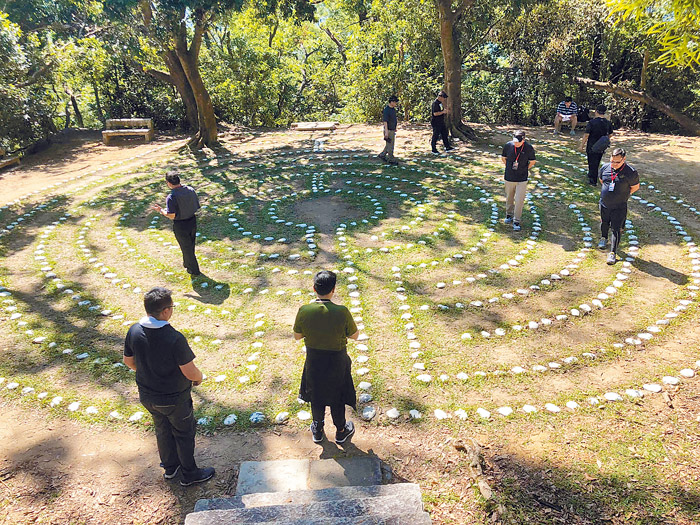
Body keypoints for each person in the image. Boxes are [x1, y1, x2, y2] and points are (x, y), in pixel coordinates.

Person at [123, 287, 215, 486]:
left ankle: (170, 468)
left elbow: (128, 361)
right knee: (183, 432)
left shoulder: (134, 331)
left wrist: (147, 371)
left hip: (148, 395)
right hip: (174, 398)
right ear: (165, 311)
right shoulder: (174, 338)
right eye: (171, 307)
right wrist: (198, 378)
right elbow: (190, 371)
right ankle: (190, 474)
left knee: (162, 428)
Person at [293, 271, 359, 445]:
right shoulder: (342, 312)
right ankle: (341, 430)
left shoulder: (304, 310)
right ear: (334, 290)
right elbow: (355, 336)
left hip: (314, 361)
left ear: (314, 288)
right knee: (337, 397)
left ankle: (318, 429)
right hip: (337, 361)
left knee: (316, 395)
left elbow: (297, 336)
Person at [152, 173, 201, 276]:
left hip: (180, 224)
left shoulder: (172, 197)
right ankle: (187, 263)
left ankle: (194, 270)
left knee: (186, 247)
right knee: (190, 244)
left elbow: (171, 215)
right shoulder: (190, 190)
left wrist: (161, 210)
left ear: (168, 183)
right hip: (192, 220)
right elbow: (196, 206)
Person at [597, 148, 639, 265]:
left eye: (617, 162)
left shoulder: (631, 172)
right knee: (604, 222)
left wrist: (623, 194)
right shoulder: (605, 168)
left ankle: (612, 253)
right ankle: (603, 238)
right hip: (604, 203)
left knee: (616, 229)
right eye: (612, 161)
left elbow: (635, 187)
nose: (614, 164)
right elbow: (602, 180)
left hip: (619, 206)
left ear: (624, 159)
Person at [501, 130, 536, 231]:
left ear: (523, 140)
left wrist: (524, 169)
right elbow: (504, 158)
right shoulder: (508, 146)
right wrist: (509, 168)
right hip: (509, 177)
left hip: (522, 178)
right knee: (509, 197)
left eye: (518, 142)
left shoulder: (528, 148)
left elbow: (532, 161)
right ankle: (509, 214)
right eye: (515, 141)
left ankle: (517, 220)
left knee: (520, 200)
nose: (516, 143)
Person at [580, 104, 614, 186]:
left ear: (596, 112)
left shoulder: (592, 122)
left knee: (592, 162)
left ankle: (593, 180)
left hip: (592, 144)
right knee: (597, 161)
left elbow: (586, 135)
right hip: (601, 145)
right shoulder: (608, 123)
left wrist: (581, 145)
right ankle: (591, 175)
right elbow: (610, 134)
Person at [379, 95, 399, 165]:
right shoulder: (386, 110)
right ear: (392, 102)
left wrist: (395, 127)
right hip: (389, 130)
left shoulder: (393, 109)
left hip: (392, 129)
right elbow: (385, 121)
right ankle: (391, 159)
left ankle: (382, 155)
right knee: (391, 145)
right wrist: (386, 132)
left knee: (388, 144)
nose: (396, 104)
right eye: (395, 102)